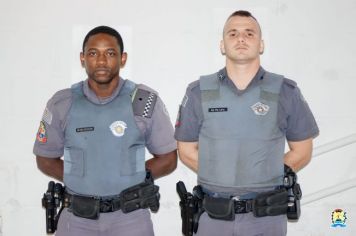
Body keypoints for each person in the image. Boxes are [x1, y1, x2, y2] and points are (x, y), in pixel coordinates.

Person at [175, 10, 319, 236]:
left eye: (249, 34)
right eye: (233, 34)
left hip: (266, 218)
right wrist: (220, 176)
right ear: (222, 45)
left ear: (261, 45)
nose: (241, 39)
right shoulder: (198, 92)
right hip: (214, 217)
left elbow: (302, 150)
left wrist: (264, 176)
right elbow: (185, 150)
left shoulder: (285, 91)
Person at [34, 25, 177, 236]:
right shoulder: (63, 102)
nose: (101, 61)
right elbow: (45, 159)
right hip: (77, 217)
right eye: (93, 53)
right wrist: (82, 177)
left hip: (130, 217)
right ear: (82, 58)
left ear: (123, 58)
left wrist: (131, 178)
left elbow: (168, 159)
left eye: (110, 53)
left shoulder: (142, 99)